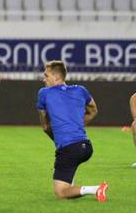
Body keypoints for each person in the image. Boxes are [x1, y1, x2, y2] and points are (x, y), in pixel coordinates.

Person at [36, 60, 108, 202]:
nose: (44, 79)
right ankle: (71, 184)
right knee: (68, 169)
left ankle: (95, 189)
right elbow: (93, 110)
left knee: (60, 193)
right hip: (86, 147)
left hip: (69, 149)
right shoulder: (80, 90)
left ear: (56, 77)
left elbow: (45, 126)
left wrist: (61, 132)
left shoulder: (44, 93)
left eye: (46, 75)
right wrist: (77, 125)